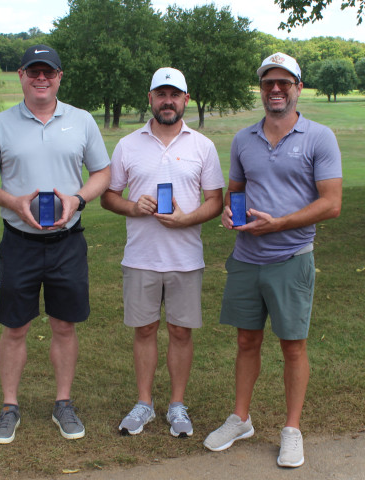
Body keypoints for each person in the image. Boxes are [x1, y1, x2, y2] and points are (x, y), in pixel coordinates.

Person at [203, 52, 342, 468]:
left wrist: (279, 224)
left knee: (293, 347)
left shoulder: (320, 137)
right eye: (268, 83)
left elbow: (332, 204)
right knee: (246, 341)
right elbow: (236, 190)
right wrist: (230, 210)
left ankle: (291, 430)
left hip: (291, 257)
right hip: (246, 258)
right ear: (261, 89)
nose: (276, 89)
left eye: (284, 82)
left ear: (298, 88)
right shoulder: (244, 139)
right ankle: (240, 418)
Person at [0, 44, 111, 444]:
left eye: (48, 72)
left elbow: (102, 171)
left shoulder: (82, 121)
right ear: (21, 75)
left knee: (64, 325)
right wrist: (12, 201)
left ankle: (63, 403)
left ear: (59, 77)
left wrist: (79, 199)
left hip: (68, 241)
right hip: (19, 242)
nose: (41, 78)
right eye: (33, 71)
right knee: (15, 327)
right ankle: (9, 406)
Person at [100, 68, 224, 438]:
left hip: (186, 259)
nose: (167, 101)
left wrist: (187, 219)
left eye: (175, 95)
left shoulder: (202, 146)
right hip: (141, 258)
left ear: (186, 100)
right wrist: (132, 207)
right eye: (161, 94)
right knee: (145, 330)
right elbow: (108, 197)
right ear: (150, 98)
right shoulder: (127, 145)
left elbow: (215, 201)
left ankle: (177, 406)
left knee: (181, 332)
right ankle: (144, 404)